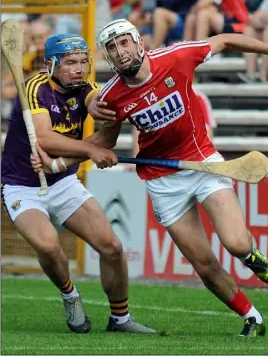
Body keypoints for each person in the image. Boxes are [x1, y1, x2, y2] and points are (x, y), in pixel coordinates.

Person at [31, 20, 268, 337]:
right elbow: (103, 143)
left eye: (125, 43)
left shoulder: (177, 57)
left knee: (234, 243)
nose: (121, 51)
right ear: (108, 56)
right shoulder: (112, 96)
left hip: (202, 164)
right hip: (162, 181)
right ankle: (252, 317)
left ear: (139, 43)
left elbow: (223, 39)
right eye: (112, 47)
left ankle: (250, 255)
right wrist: (56, 164)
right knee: (204, 263)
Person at [1, 33, 156, 334]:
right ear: (52, 65)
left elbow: (101, 117)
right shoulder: (35, 88)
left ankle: (120, 319)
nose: (79, 68)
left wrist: (108, 111)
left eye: (84, 61)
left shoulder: (87, 89)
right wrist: (90, 150)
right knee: (48, 245)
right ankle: (70, 295)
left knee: (111, 246)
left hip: (62, 182)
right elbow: (44, 138)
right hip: (21, 185)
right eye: (71, 62)